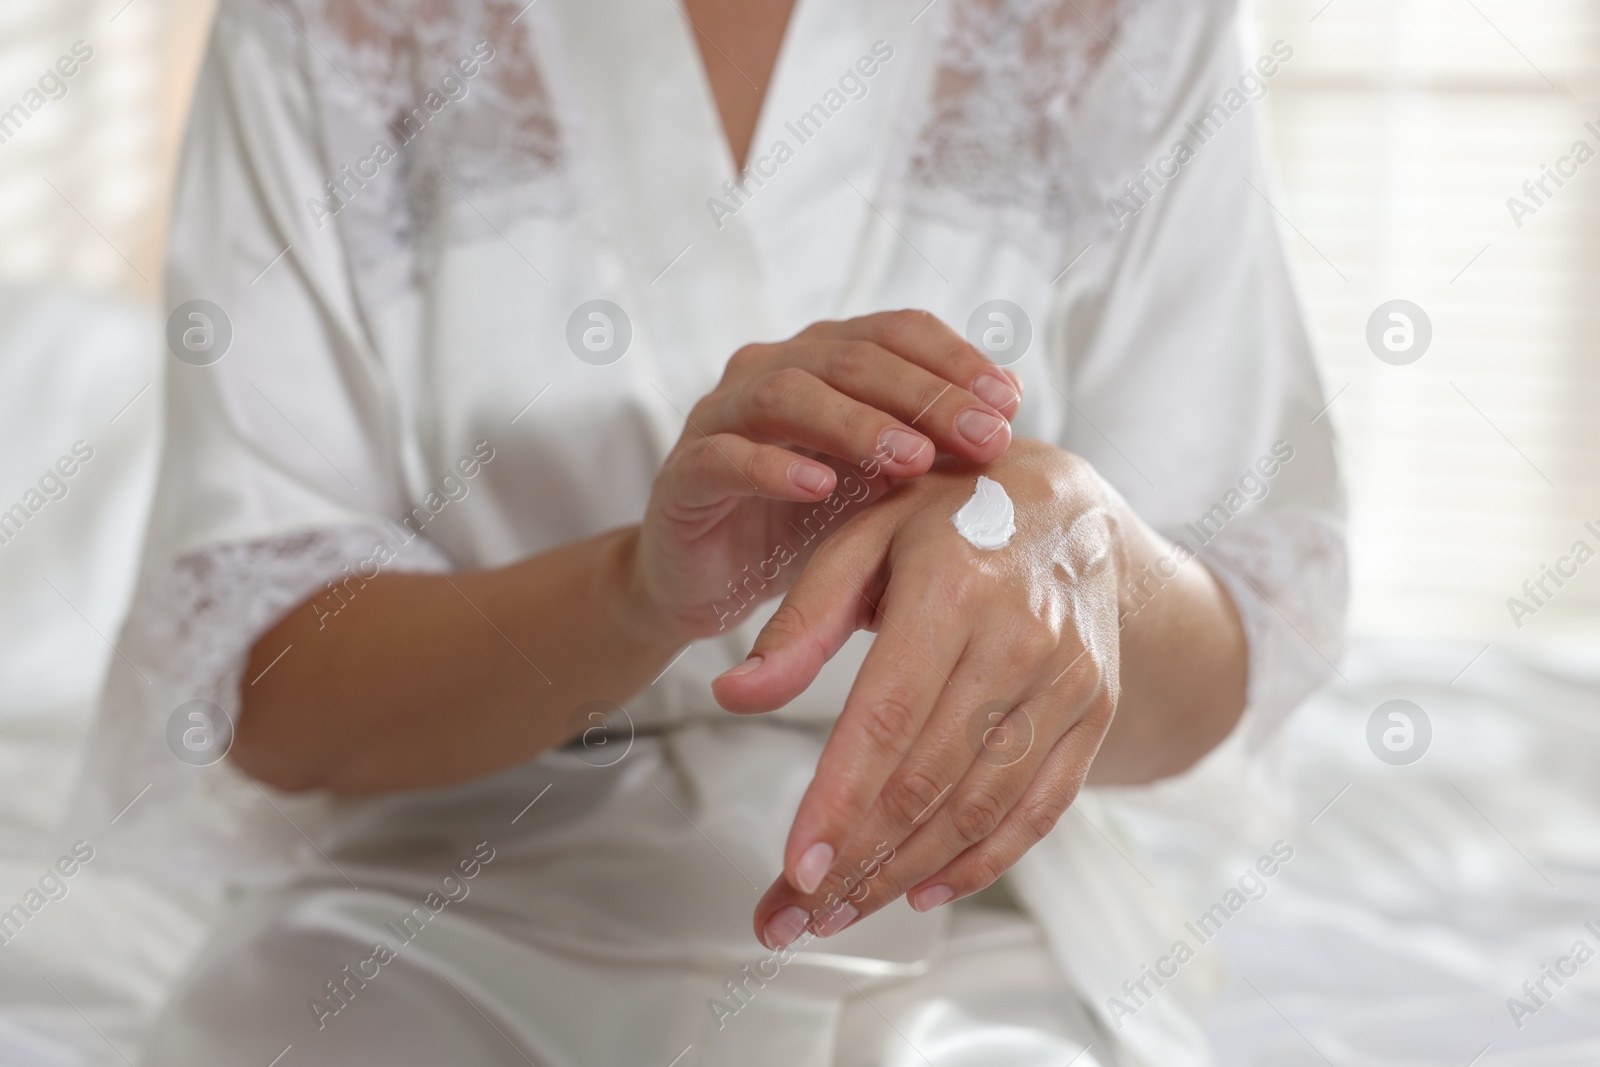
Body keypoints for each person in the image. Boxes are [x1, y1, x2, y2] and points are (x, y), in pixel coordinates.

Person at [70, 0, 1345, 1063]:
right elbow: (275, 687)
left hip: (955, 915)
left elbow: (1224, 652)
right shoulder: (330, 23)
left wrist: (1071, 529)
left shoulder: (1130, 22)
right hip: (428, 900)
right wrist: (638, 590)